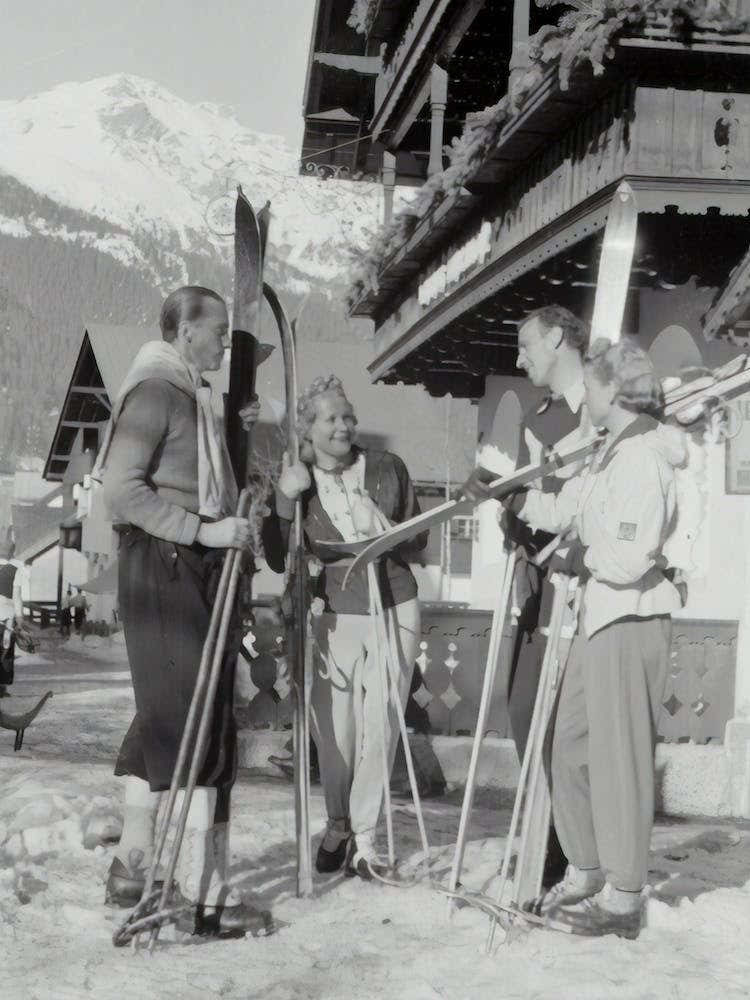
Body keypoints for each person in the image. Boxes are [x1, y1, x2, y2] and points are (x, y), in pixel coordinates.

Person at [97, 285, 262, 936]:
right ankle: (201, 893)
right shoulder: (157, 392)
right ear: (184, 330)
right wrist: (203, 530)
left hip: (184, 568)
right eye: (217, 329)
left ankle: (133, 869)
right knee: (198, 726)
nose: (224, 340)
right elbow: (119, 489)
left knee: (165, 720)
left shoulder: (193, 396)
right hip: (164, 567)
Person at [507, 337, 685, 938]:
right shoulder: (611, 450)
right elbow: (573, 507)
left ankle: (625, 894)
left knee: (619, 756)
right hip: (600, 617)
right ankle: (585, 867)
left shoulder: (645, 457)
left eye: (592, 383)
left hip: (632, 616)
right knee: (571, 745)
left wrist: (581, 555)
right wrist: (519, 501)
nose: (585, 395)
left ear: (611, 389)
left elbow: (632, 555)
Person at [273, 375, 427, 880]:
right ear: (308, 429)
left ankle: (364, 837)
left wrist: (379, 522)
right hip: (332, 613)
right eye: (331, 418)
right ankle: (337, 821)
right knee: (336, 733)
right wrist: (282, 500)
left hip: (393, 606)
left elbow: (418, 538)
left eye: (348, 416)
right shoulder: (299, 481)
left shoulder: (386, 468)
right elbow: (278, 555)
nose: (344, 426)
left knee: (381, 725)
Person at [463, 304, 590, 886]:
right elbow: (534, 502)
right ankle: (548, 831)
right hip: (537, 581)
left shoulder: (596, 409)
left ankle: (561, 843)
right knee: (523, 709)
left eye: (526, 345)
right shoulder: (541, 416)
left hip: (580, 584)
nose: (519, 357)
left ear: (559, 338)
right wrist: (508, 518)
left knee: (558, 721)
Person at [0, 541, 26, 698]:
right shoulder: (16, 570)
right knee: (6, 649)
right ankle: (1, 688)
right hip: (6, 617)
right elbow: (17, 597)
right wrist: (20, 619)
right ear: (11, 553)